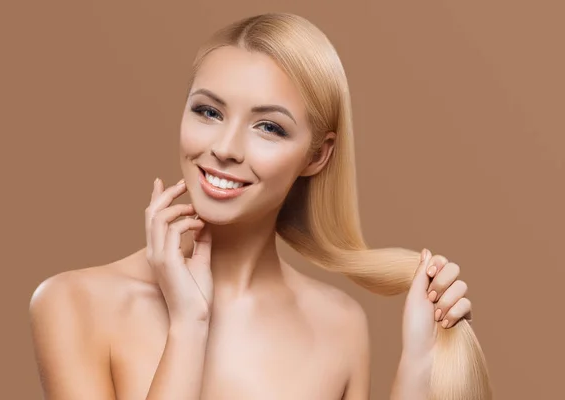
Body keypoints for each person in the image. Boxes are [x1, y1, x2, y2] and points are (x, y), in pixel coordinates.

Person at [29, 12, 490, 400]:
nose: (226, 148)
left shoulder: (339, 325)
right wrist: (189, 324)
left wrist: (419, 363)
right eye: (208, 111)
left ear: (317, 155)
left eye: (269, 127)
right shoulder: (74, 302)